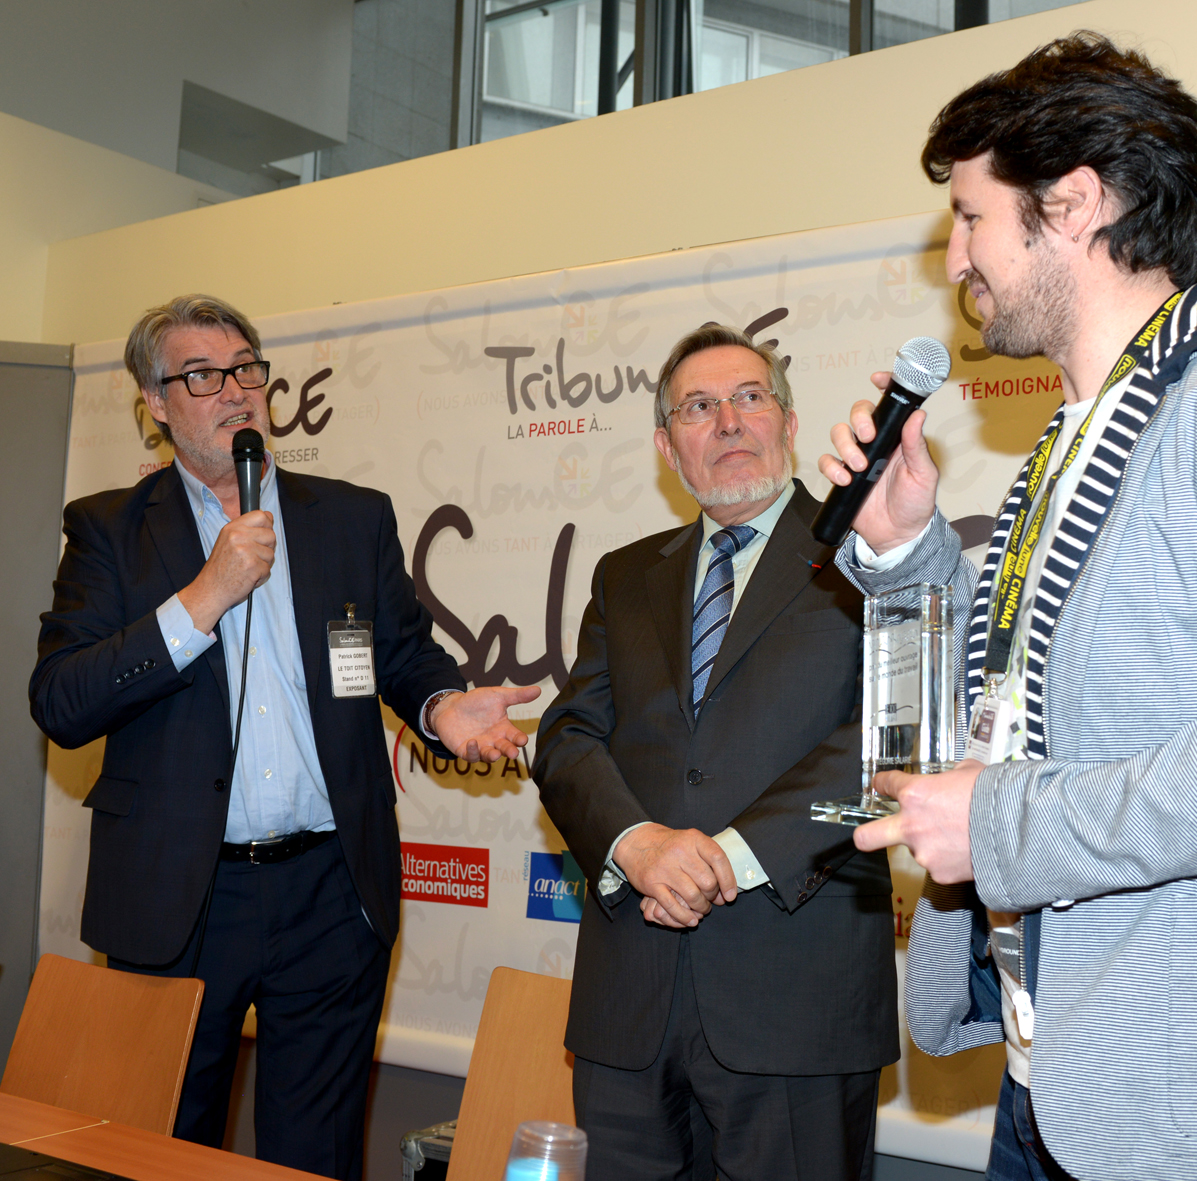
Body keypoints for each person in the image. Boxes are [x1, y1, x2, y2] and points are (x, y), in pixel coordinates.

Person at [818, 34, 1197, 1181]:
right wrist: (908, 547)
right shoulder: (1073, 435)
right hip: (1059, 1081)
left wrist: (1006, 826)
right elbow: (1040, 705)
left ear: (1074, 203)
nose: (955, 258)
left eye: (971, 218)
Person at [30, 294, 538, 1181]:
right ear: (154, 401)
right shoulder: (109, 527)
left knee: (314, 1153)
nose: (233, 392)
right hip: (180, 899)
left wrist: (441, 709)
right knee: (161, 1149)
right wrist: (205, 594)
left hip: (330, 892)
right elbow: (63, 699)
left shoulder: (349, 516)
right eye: (201, 376)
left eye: (246, 370)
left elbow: (401, 655)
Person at [533, 324, 898, 1181]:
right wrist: (639, 843)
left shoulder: (874, 554)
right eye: (699, 407)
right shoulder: (625, 576)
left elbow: (888, 740)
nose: (728, 421)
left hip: (796, 1004)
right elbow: (568, 734)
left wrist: (728, 855)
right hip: (630, 1006)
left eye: (748, 398)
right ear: (668, 446)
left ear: (789, 421)